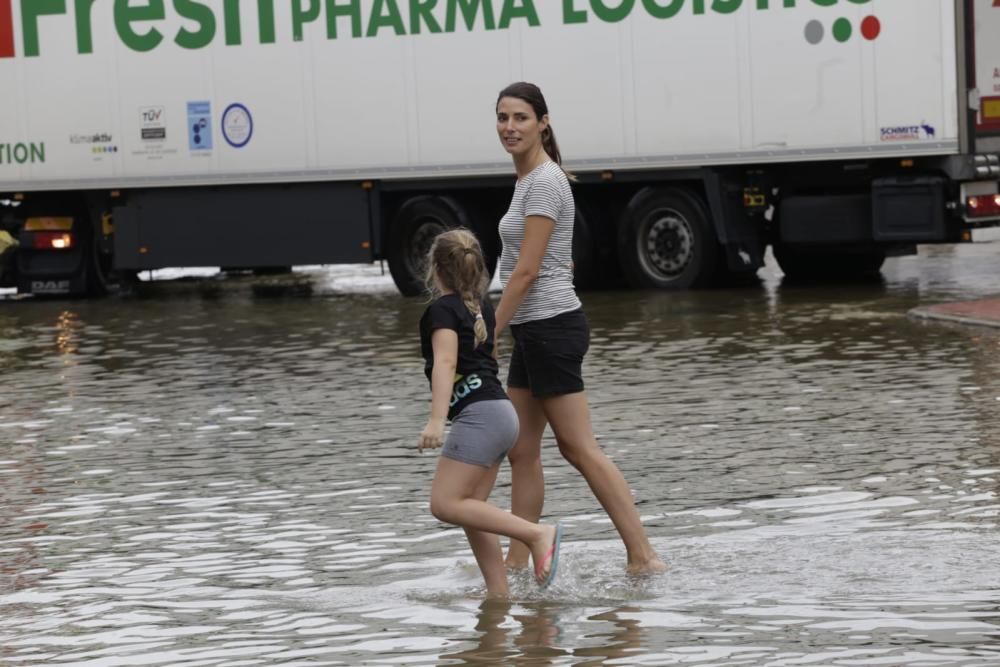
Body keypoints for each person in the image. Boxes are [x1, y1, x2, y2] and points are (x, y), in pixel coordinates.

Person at [492, 82, 667, 575]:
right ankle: (518, 561)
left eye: (521, 117)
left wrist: (488, 333)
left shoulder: (545, 180)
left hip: (550, 326)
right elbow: (545, 258)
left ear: (543, 122)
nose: (510, 127)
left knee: (578, 447)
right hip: (535, 329)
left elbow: (526, 272)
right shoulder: (529, 181)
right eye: (503, 117)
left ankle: (643, 556)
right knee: (521, 450)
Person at [418, 228, 563, 595]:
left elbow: (446, 362)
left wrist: (437, 419)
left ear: (436, 270)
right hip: (502, 414)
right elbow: (491, 359)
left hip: (481, 417)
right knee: (471, 508)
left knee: (444, 503)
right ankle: (499, 595)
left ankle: (536, 533)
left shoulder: (442, 311)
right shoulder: (481, 309)